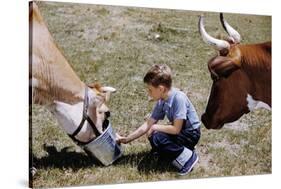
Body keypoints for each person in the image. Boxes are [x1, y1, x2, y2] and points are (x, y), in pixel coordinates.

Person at [116, 64, 201, 175]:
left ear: (161, 89)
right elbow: (148, 124)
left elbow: (176, 129)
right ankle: (174, 151)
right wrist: (127, 139)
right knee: (154, 134)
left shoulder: (178, 98)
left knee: (157, 135)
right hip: (181, 132)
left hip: (191, 134)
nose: (148, 93)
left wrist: (155, 127)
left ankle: (188, 159)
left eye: (150, 90)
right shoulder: (162, 100)